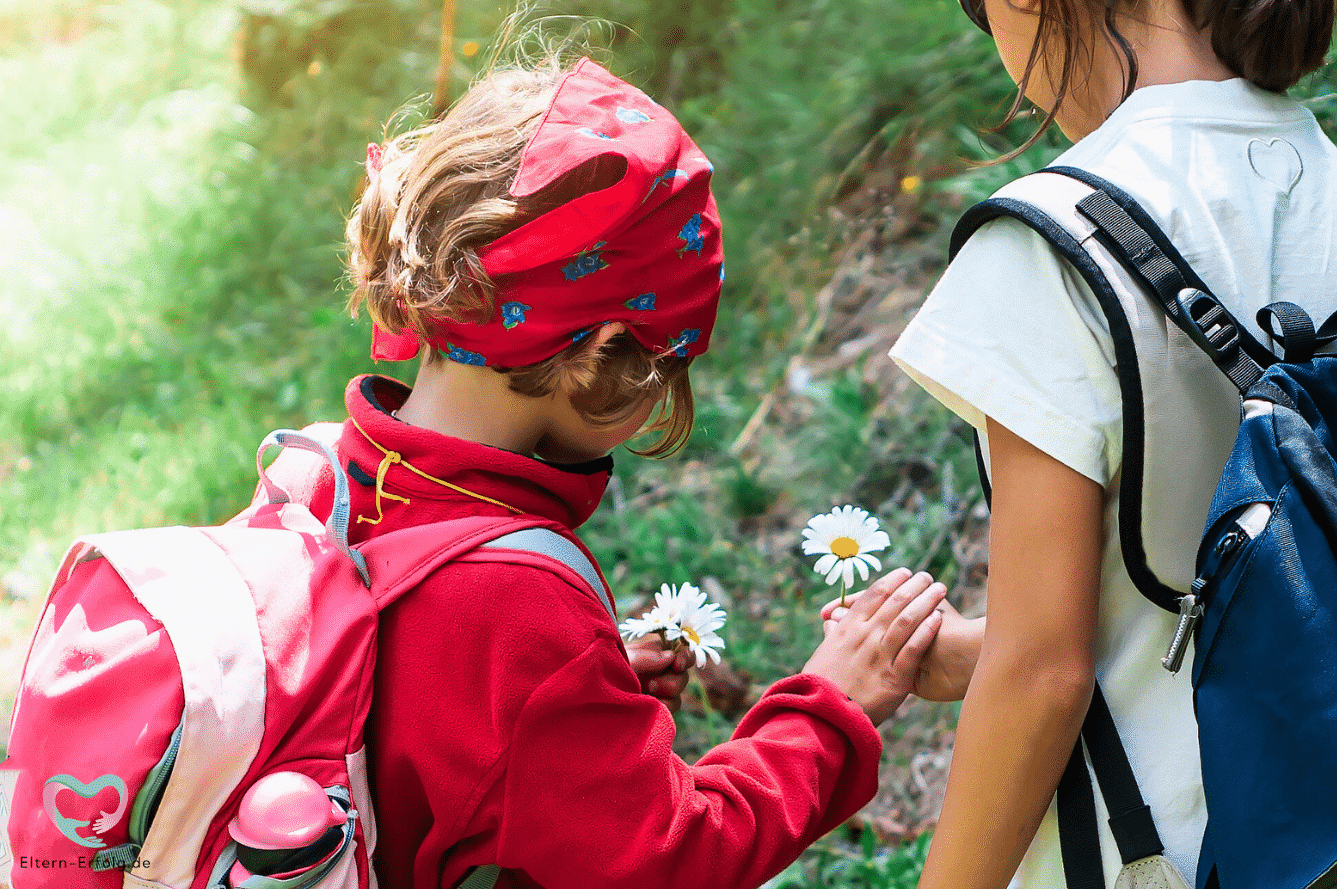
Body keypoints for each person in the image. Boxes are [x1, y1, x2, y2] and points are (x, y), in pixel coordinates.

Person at [874, 0, 1337, 887]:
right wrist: (970, 652)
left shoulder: (1048, 244)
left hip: (1166, 855)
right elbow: (1281, 570)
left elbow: (1045, 672)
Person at [265, 54, 946, 889]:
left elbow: (412, 714)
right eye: (666, 365)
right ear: (602, 355)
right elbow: (675, 858)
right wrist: (830, 706)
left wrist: (578, 697)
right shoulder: (514, 606)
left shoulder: (327, 476)